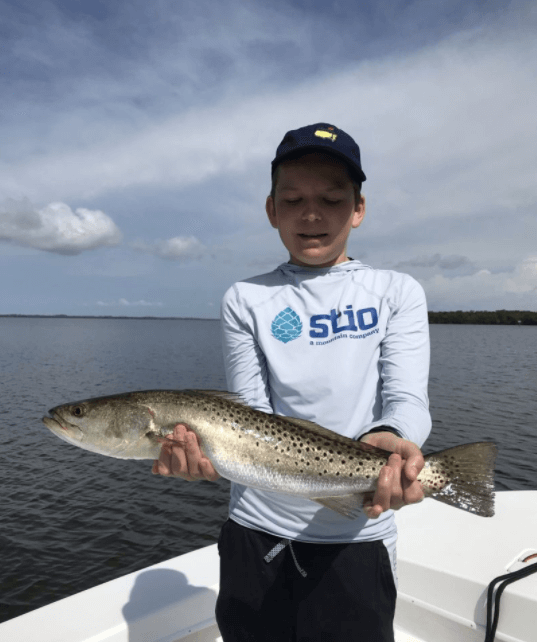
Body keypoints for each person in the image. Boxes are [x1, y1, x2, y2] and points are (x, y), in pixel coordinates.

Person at [153, 123, 431, 641]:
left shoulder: (397, 292)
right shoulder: (246, 298)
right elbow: (249, 413)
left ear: (358, 209)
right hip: (255, 531)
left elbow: (407, 397)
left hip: (360, 530)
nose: (311, 213)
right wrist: (206, 456)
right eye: (293, 199)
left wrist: (393, 437)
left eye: (331, 198)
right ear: (271, 210)